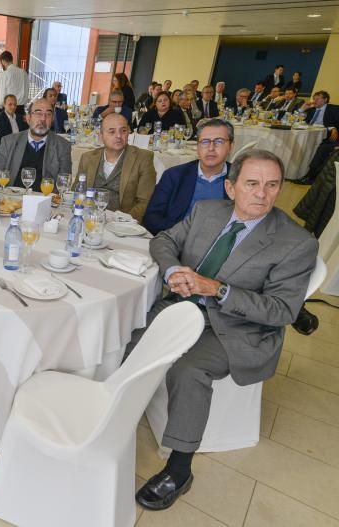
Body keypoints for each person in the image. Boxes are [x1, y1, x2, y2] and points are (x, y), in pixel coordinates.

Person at [133, 148, 317, 512]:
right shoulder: (207, 211)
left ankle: (179, 469)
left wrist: (217, 289)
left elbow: (281, 310)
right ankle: (114, 415)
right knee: (128, 338)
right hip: (182, 308)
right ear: (231, 188)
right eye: (252, 184)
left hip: (236, 329)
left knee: (189, 370)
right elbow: (163, 241)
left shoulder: (296, 243)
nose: (262, 194)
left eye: (271, 185)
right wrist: (173, 273)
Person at [143, 119, 233, 235]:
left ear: (231, 146)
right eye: (205, 142)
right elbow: (151, 217)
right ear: (198, 147)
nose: (211, 148)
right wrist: (180, 236)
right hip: (177, 241)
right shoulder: (174, 176)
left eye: (219, 141)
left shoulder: (240, 179)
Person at [77, 113, 156, 221]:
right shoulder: (88, 158)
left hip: (123, 225)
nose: (118, 136)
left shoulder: (143, 159)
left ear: (128, 133)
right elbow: (76, 192)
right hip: (89, 219)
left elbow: (145, 202)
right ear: (101, 135)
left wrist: (120, 220)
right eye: (112, 131)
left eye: (123, 131)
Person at [0, 98, 71, 191]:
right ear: (28, 118)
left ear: (52, 119)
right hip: (12, 199)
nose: (43, 119)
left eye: (48, 114)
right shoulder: (9, 142)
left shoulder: (63, 146)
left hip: (45, 201)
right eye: (38, 113)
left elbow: (64, 183)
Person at [293, 90, 339, 185]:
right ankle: (296, 171)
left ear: (325, 100)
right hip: (310, 134)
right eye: (314, 99)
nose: (315, 101)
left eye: (318, 99)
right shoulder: (311, 109)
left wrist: (334, 128)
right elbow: (294, 118)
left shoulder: (334, 109)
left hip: (329, 137)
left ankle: (311, 176)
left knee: (323, 148)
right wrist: (302, 109)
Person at [0, 51, 29, 115]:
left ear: (3, 61)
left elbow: (2, 95)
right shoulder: (24, 73)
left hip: (8, 110)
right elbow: (27, 91)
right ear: (11, 59)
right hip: (21, 110)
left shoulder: (4, 74)